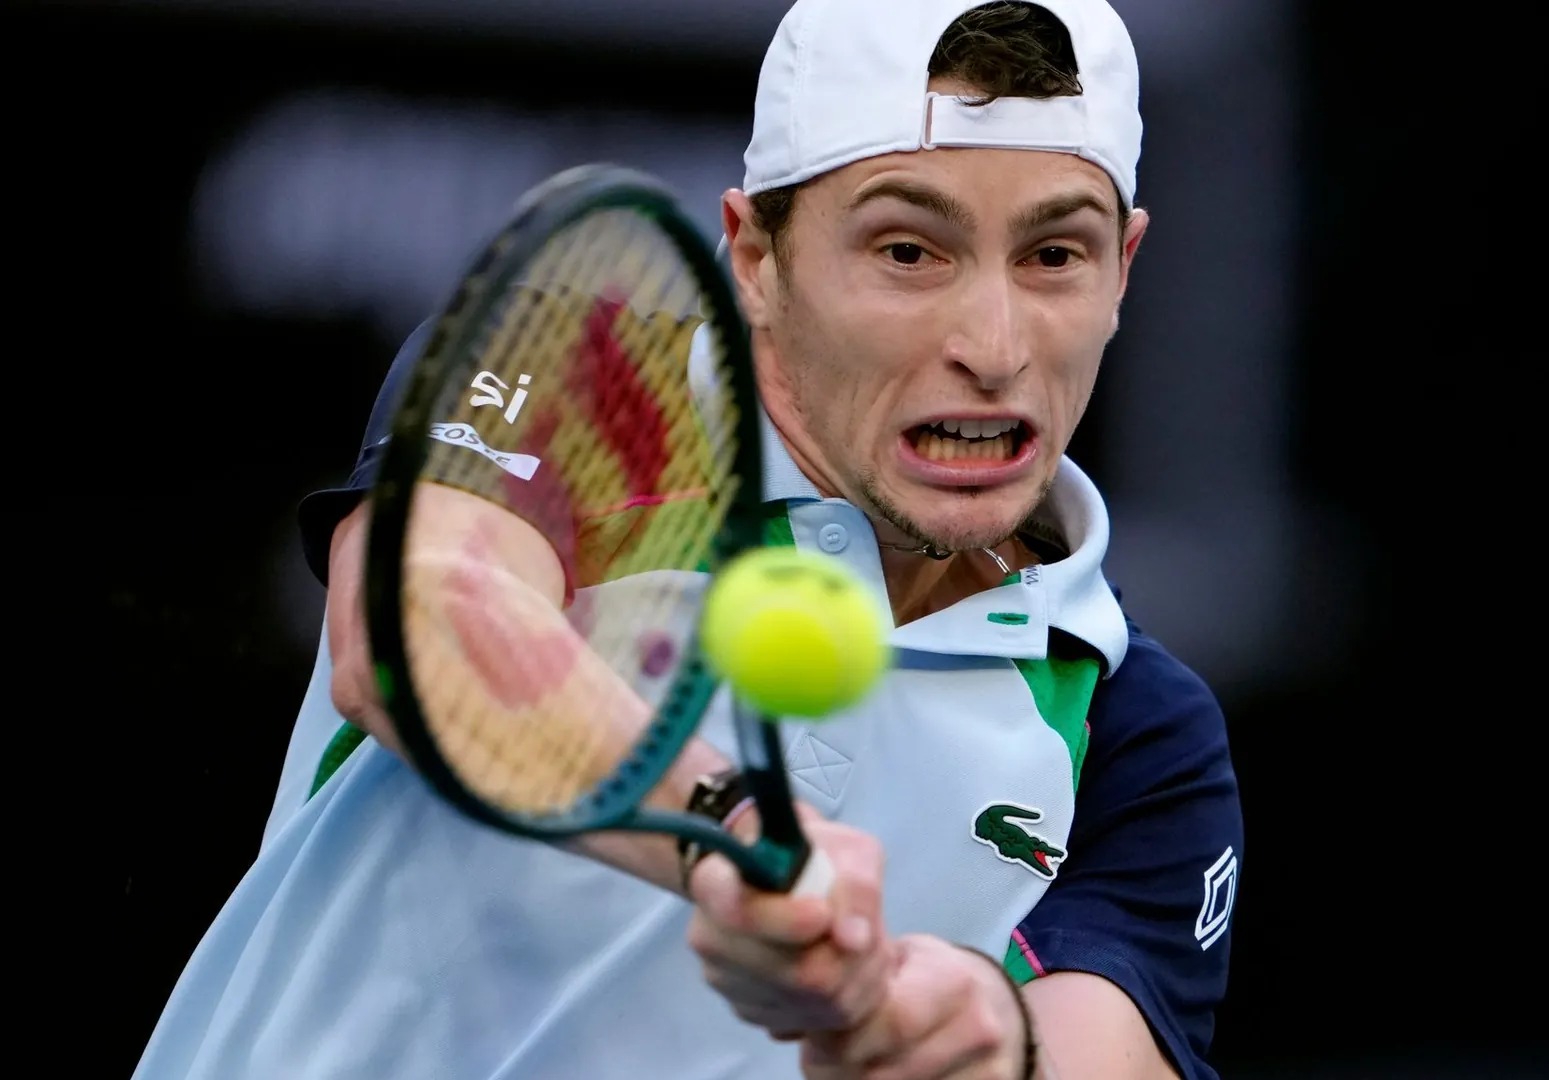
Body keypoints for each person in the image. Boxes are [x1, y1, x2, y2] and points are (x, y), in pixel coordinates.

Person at [133, 1, 1243, 1077]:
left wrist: (975, 1038)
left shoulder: (1137, 730)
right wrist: (731, 829)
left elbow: (1096, 1056)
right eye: (909, 251)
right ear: (755, 259)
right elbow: (418, 626)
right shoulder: (587, 379)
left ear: (1123, 269)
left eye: (1055, 256)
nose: (994, 348)